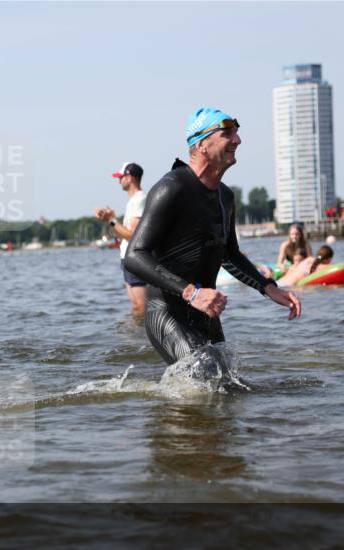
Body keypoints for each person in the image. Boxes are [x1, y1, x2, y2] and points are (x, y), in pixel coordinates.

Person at [123, 107, 301, 366]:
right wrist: (191, 293)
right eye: (228, 133)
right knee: (204, 374)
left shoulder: (225, 197)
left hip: (206, 311)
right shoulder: (171, 188)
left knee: (227, 388)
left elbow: (230, 255)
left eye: (237, 134)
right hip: (167, 312)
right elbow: (134, 255)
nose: (237, 140)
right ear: (202, 144)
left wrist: (268, 287)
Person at [95, 162, 147, 318]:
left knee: (141, 307)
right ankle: (134, 338)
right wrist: (110, 219)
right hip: (127, 258)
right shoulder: (133, 201)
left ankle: (140, 339)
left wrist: (111, 220)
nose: (119, 181)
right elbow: (124, 233)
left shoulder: (139, 199)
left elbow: (133, 235)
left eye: (121, 177)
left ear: (129, 178)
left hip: (135, 258)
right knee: (136, 306)